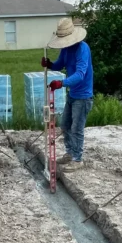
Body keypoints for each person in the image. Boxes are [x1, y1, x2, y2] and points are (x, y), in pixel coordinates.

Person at [41, 17, 94, 170]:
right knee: (65, 125)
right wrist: (50, 65)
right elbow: (60, 64)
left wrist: (62, 83)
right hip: (72, 94)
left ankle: (77, 159)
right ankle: (70, 153)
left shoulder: (83, 49)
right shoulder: (66, 49)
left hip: (83, 96)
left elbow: (80, 74)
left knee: (77, 127)